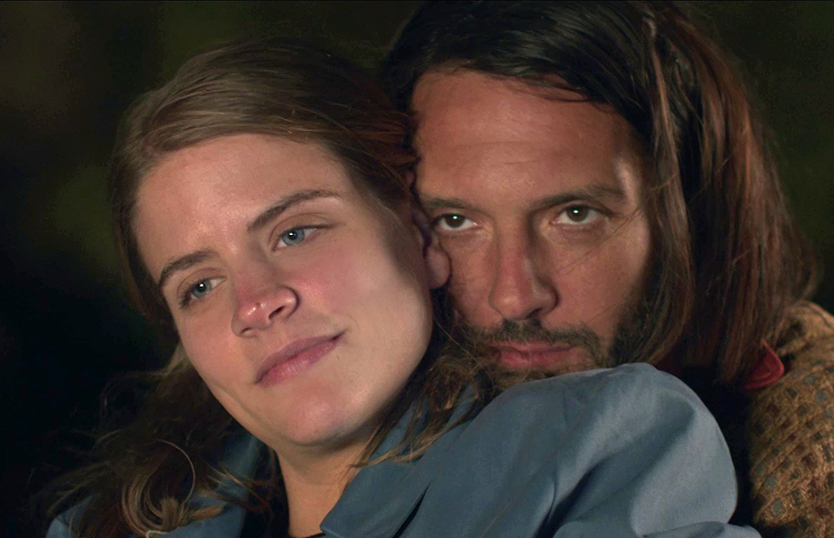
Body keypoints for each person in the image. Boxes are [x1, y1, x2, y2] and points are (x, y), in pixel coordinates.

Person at [45, 38, 757, 538]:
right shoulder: (101, 527)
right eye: (199, 285)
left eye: (296, 232)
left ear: (417, 234)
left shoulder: (587, 446)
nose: (256, 302)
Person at [381, 1, 834, 536]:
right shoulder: (360, 404)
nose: (515, 298)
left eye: (575, 215)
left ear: (688, 210)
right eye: (455, 221)